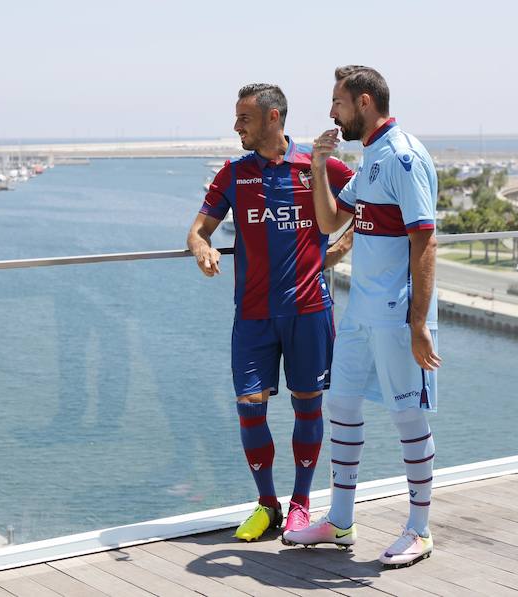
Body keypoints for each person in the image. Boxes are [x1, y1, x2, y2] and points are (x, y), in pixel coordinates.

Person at [283, 66, 441, 568]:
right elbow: (331, 221)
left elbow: (425, 240)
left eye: (338, 103)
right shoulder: (370, 157)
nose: (332, 111)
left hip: (397, 317)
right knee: (343, 408)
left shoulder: (403, 157)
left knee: (407, 418)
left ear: (365, 102)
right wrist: (320, 163)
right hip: (359, 314)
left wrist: (418, 324)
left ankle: (419, 530)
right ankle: (341, 520)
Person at [187, 83, 353, 542]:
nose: (236, 126)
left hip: (309, 310)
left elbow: (372, 206)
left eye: (244, 118)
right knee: (249, 409)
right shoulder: (234, 174)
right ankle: (267, 504)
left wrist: (340, 248)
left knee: (308, 406)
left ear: (273, 118)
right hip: (254, 315)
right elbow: (199, 229)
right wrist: (203, 249)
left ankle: (301, 504)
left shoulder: (316, 166)